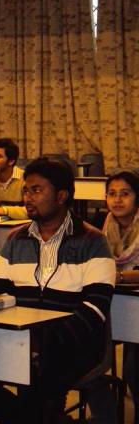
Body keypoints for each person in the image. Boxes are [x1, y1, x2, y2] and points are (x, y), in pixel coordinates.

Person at [0, 158, 116, 423]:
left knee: (41, 377)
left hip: (75, 343)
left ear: (61, 196)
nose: (27, 198)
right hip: (20, 340)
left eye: (36, 190)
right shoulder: (15, 239)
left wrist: (45, 339)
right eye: (26, 190)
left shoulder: (92, 241)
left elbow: (96, 306)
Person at [102, 170, 139, 414]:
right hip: (116, 299)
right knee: (83, 354)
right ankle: (105, 414)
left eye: (125, 194)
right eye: (112, 194)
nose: (117, 200)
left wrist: (120, 276)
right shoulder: (107, 224)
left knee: (134, 368)